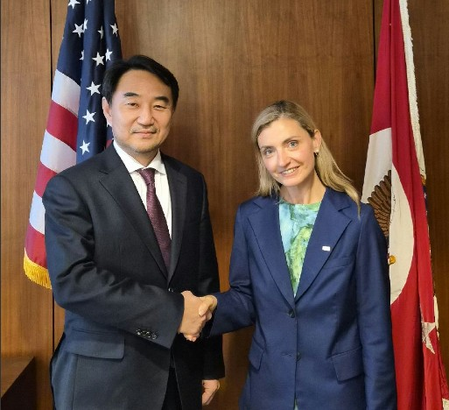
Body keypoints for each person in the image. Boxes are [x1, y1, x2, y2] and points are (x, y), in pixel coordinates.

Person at [43, 55, 224, 410]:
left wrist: (209, 364)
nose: (146, 118)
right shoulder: (71, 187)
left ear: (171, 112)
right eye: (132, 104)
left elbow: (204, 277)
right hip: (103, 381)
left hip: (180, 375)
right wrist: (174, 313)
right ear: (107, 110)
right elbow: (73, 282)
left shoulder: (191, 181)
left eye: (159, 105)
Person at [194, 101, 397, 409]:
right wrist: (210, 306)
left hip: (337, 395)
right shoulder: (251, 216)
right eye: (269, 151)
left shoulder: (357, 219)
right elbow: (246, 298)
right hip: (268, 391)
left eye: (291, 143)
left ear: (315, 140)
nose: (282, 160)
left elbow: (374, 326)